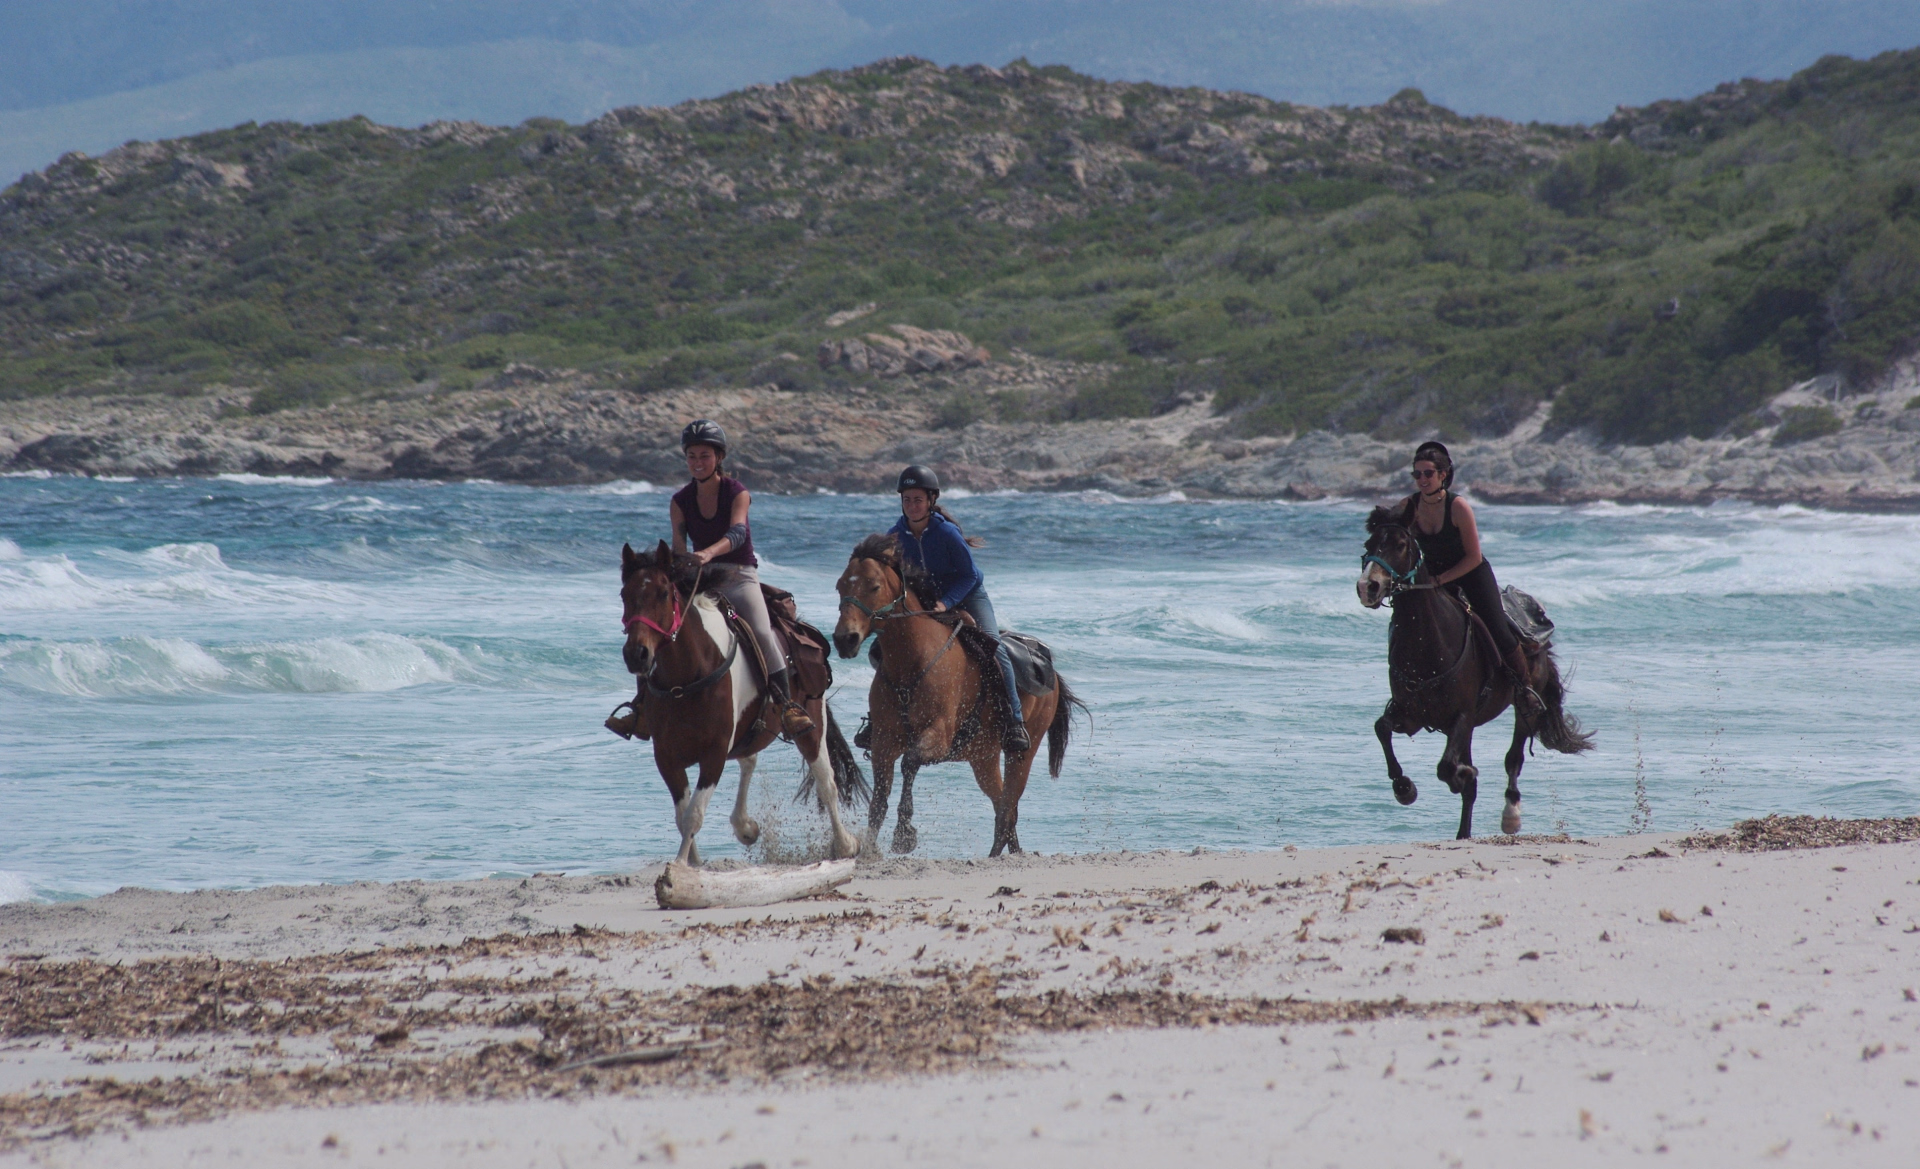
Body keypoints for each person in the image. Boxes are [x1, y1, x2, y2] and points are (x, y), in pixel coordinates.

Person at [612, 419, 812, 739]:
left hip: (738, 576)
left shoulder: (738, 493)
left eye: (704, 455)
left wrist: (707, 553)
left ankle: (786, 705)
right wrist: (681, 567)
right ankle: (640, 709)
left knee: (761, 631)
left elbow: (737, 532)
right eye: (691, 456)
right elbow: (678, 548)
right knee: (656, 628)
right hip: (699, 578)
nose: (697, 462)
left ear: (719, 458)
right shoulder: (679, 500)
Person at [887, 465, 1030, 754]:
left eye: (918, 499)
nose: (912, 505)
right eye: (907, 500)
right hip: (927, 599)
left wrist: (947, 603)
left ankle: (1015, 721)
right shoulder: (895, 536)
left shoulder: (946, 533)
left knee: (994, 646)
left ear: (930, 500)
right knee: (887, 646)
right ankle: (882, 718)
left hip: (967, 594)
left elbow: (971, 576)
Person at [1398, 441, 1543, 718]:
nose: (1422, 480)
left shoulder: (1458, 506)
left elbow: (1474, 557)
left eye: (1428, 473)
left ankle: (1525, 688)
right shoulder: (1409, 506)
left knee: (1497, 627)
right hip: (1434, 577)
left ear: (1443, 474)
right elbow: (1391, 529)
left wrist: (1441, 579)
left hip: (1470, 573)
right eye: (1417, 475)